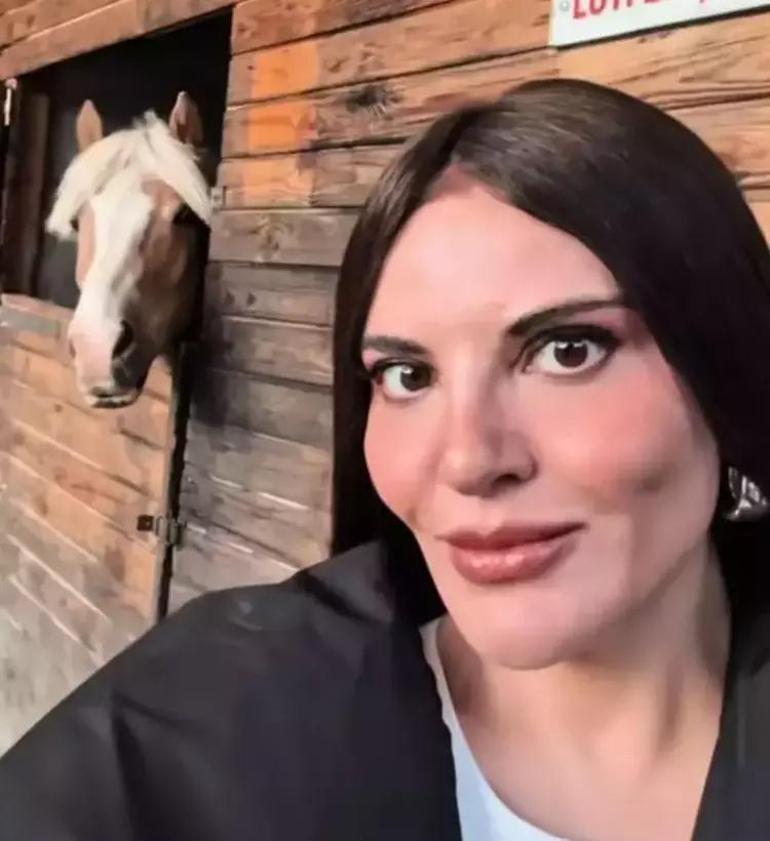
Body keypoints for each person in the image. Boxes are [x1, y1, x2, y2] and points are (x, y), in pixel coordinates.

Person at [2, 78, 770, 841]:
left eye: (569, 350)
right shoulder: (209, 716)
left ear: (729, 361)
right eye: (407, 375)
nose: (468, 459)